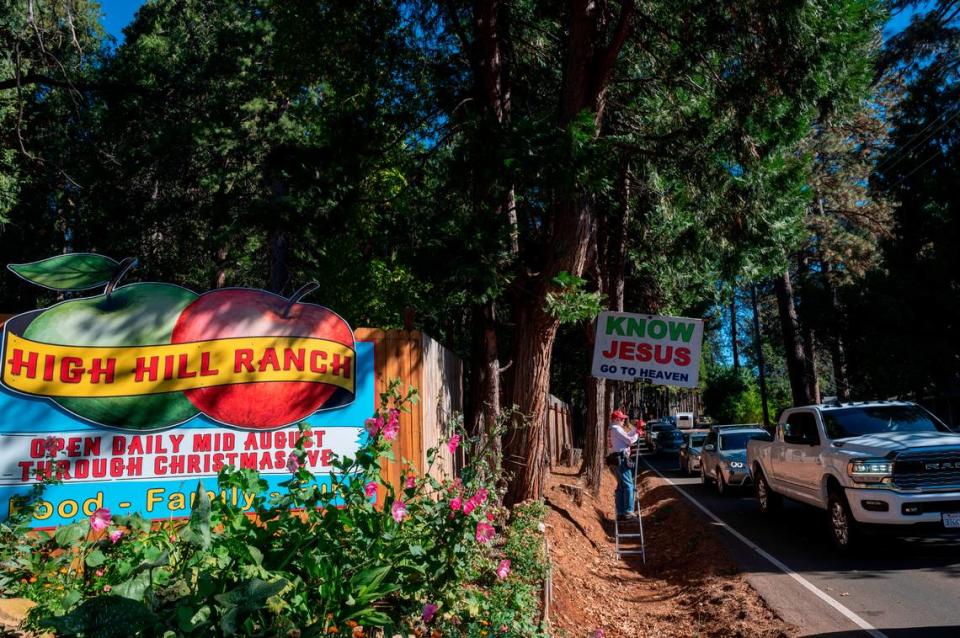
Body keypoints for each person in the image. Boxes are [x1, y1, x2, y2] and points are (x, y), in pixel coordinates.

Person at [607, 409, 639, 520]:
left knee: (621, 486)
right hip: (620, 459)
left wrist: (635, 429)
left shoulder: (612, 429)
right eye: (621, 419)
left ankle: (620, 512)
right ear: (616, 419)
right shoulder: (616, 429)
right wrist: (637, 434)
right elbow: (629, 440)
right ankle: (628, 512)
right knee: (629, 485)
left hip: (614, 459)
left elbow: (626, 436)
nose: (623, 421)